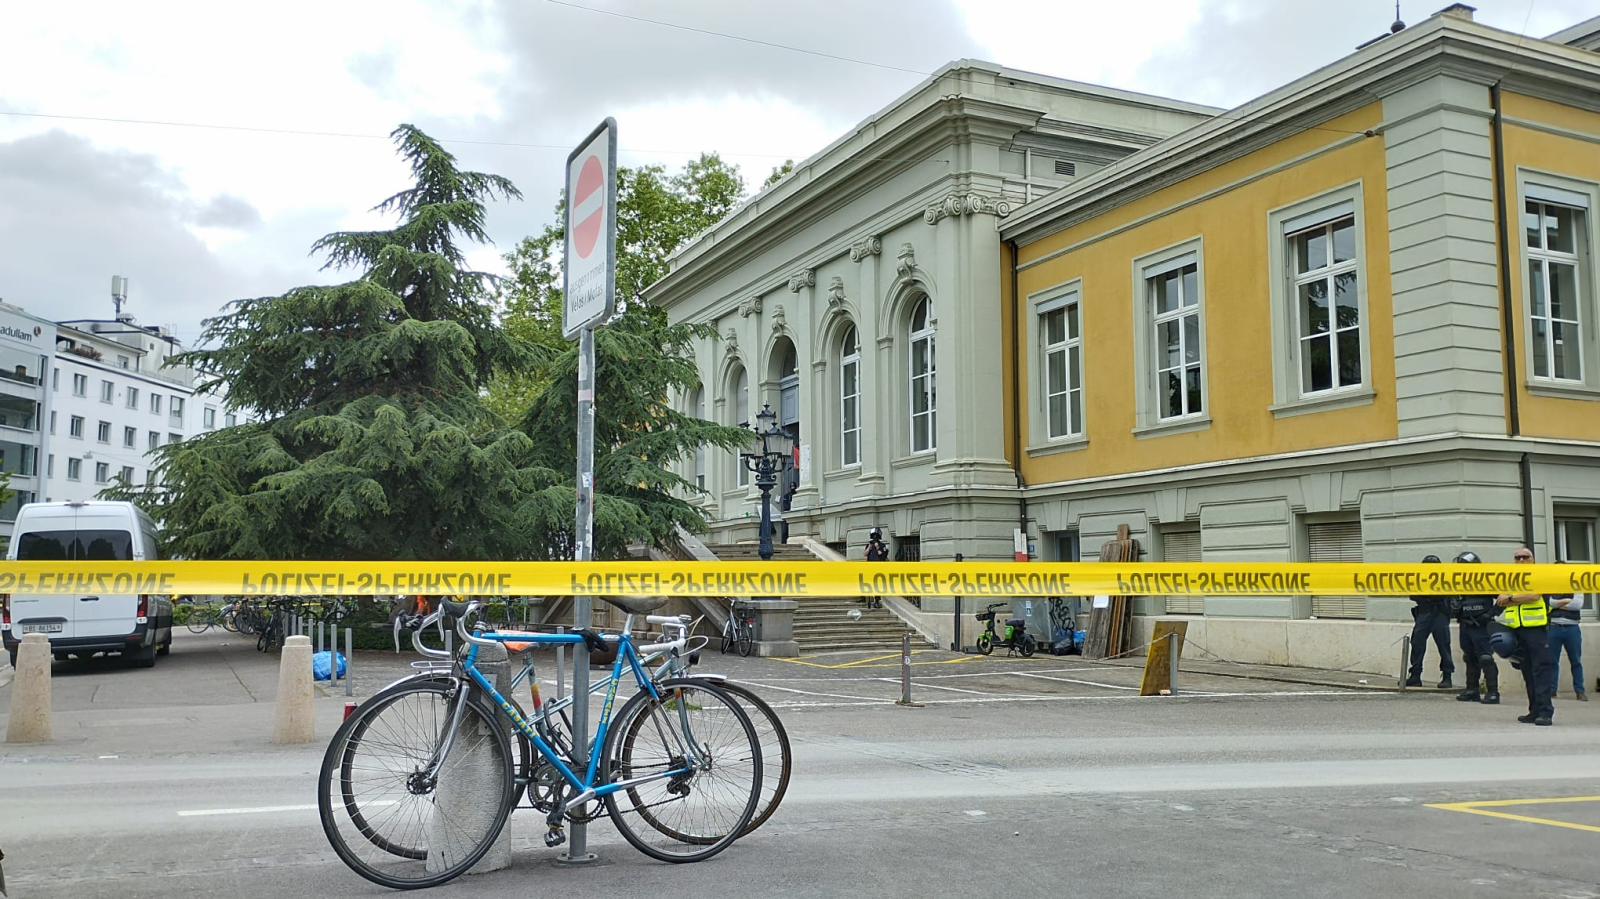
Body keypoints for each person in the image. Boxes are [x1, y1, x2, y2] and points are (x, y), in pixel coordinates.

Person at [1495, 545, 1554, 725]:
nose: (1521, 560)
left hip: (1536, 629)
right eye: (1517, 557)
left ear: (1533, 559)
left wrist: (1512, 598)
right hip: (1517, 630)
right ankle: (1533, 711)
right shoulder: (1510, 578)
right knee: (1527, 671)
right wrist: (1514, 597)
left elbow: (1534, 596)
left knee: (1541, 670)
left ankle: (1545, 712)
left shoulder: (1538, 575)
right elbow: (1500, 600)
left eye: (1525, 557)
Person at [1450, 551, 1499, 705]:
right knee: (1469, 657)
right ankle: (1472, 690)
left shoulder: (1486, 580)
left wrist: (1490, 614)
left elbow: (1503, 599)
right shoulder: (1458, 582)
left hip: (1481, 625)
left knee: (1485, 657)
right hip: (1465, 624)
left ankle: (1493, 692)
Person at [1406, 554, 1454, 689]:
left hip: (1439, 613)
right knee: (1417, 643)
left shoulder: (1445, 578)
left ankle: (1447, 675)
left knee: (1444, 645)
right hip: (1424, 613)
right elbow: (1413, 595)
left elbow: (1449, 594)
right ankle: (1415, 675)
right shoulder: (1419, 578)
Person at [1548, 563, 1586, 701]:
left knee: (1576, 660)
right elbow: (1549, 603)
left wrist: (1558, 603)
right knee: (1552, 661)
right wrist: (1566, 601)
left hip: (1572, 628)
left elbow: (1578, 605)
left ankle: (1580, 691)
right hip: (1554, 626)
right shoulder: (1549, 585)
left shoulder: (1576, 585)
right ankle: (1552, 690)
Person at [863, 528, 889, 609]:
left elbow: (883, 555)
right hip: (870, 566)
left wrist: (877, 547)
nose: (874, 538)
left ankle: (877, 600)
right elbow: (865, 554)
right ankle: (864, 597)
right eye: (873, 536)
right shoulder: (869, 545)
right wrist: (870, 546)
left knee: (877, 584)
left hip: (878, 567)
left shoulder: (882, 545)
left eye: (875, 536)